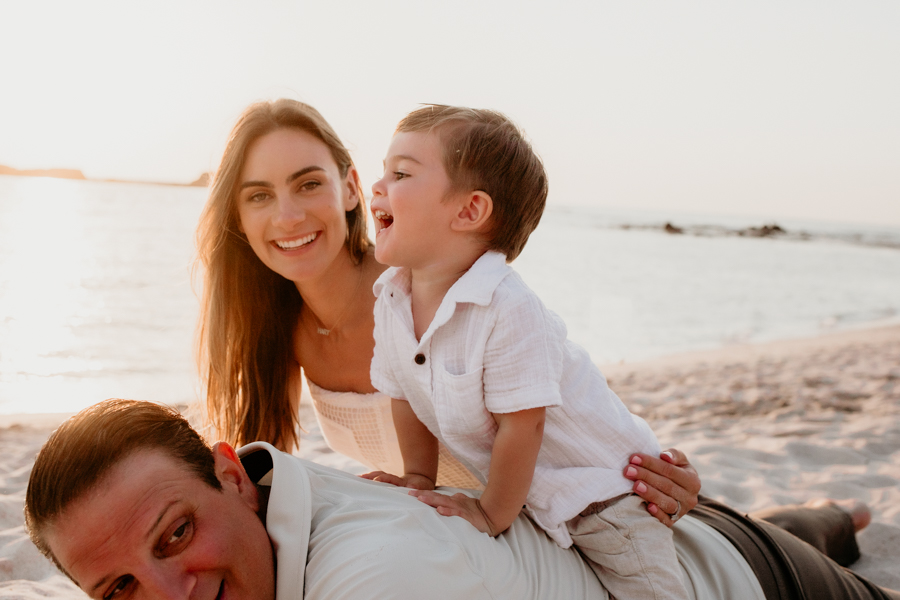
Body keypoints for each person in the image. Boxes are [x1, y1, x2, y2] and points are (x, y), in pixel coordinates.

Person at [195, 98, 698, 523]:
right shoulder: (277, 329)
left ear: (351, 188)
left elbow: (565, 398)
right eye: (259, 196)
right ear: (238, 218)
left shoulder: (433, 283)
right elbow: (257, 475)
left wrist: (671, 471)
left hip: (582, 508)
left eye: (308, 184)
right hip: (460, 527)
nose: (287, 215)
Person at [25, 399, 900, 600]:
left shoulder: (379, 575)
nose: (169, 592)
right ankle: (843, 519)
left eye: (174, 536)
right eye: (122, 591)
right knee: (818, 527)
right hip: (637, 537)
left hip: (736, 579)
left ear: (225, 471)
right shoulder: (265, 490)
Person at [363, 105, 685, 599]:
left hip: (604, 492)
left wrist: (492, 513)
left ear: (469, 211)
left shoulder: (507, 306)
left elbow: (523, 423)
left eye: (401, 173)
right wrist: (418, 477)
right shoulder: (391, 299)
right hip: (525, 493)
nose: (378, 185)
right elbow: (403, 394)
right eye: (384, 170)